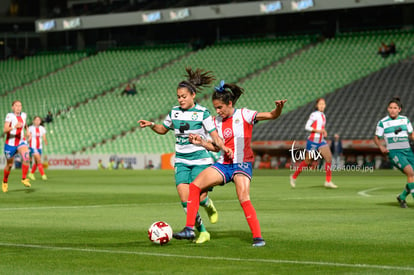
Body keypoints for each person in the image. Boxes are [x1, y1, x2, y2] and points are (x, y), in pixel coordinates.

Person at [172, 80, 287, 247]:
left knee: (243, 198)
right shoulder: (216, 121)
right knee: (195, 186)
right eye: (216, 108)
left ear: (230, 103)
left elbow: (271, 115)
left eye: (220, 107)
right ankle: (189, 229)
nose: (218, 111)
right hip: (224, 163)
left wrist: (278, 108)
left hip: (242, 163)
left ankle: (258, 238)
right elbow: (215, 146)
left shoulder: (244, 115)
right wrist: (201, 143)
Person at [138, 68, 232, 244]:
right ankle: (202, 231)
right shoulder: (174, 112)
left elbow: (214, 136)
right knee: (185, 200)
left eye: (183, 96)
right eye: (178, 97)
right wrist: (151, 124)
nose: (180, 99)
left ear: (193, 95)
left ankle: (208, 205)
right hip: (181, 161)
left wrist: (223, 147)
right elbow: (163, 129)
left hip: (200, 160)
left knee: (199, 198)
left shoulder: (203, 113)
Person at [374, 97, 414, 208]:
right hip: (395, 152)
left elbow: (412, 135)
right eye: (390, 108)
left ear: (399, 109)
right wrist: (381, 147)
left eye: (395, 108)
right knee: (410, 173)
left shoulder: (405, 120)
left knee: (413, 176)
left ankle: (401, 197)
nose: (392, 110)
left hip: (407, 151)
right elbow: (376, 138)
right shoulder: (383, 123)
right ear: (388, 109)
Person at [290, 98, 337, 189]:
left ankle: (328, 181)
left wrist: (323, 132)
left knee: (329, 158)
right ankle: (293, 176)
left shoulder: (323, 115)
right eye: (320, 104)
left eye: (323, 104)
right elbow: (307, 127)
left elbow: (321, 127)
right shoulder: (314, 115)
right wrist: (319, 130)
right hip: (313, 140)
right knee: (307, 161)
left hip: (321, 140)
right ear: (317, 105)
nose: (322, 105)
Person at [2, 100, 32, 192]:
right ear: (12, 107)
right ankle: (5, 182)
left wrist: (27, 130)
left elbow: (24, 123)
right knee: (10, 165)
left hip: (21, 141)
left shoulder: (24, 115)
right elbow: (5, 129)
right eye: (16, 105)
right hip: (10, 144)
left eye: (20, 105)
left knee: (26, 157)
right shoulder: (9, 116)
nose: (18, 107)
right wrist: (14, 127)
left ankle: (24, 179)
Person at [28, 116, 48, 181]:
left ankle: (31, 174)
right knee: (39, 160)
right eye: (36, 120)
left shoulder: (42, 128)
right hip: (32, 147)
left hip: (39, 147)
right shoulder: (30, 128)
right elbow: (27, 135)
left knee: (36, 162)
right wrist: (27, 138)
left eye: (39, 120)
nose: (37, 121)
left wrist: (45, 141)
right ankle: (43, 175)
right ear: (33, 121)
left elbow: (44, 137)